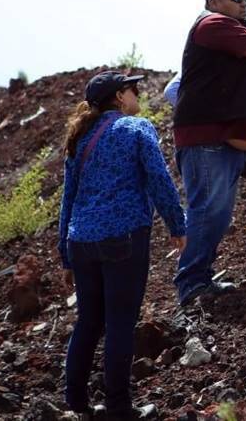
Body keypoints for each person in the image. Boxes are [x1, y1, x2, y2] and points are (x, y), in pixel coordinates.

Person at [59, 71, 185, 420]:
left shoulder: (79, 139)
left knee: (88, 322)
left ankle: (76, 404)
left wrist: (64, 256)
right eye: (133, 89)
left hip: (81, 240)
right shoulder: (137, 129)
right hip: (124, 236)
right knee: (119, 322)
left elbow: (67, 199)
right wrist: (177, 224)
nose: (137, 94)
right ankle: (118, 408)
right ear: (118, 97)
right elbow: (159, 179)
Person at [172, 0, 246, 305]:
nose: (243, 3)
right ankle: (191, 285)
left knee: (216, 213)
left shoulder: (223, 28)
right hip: (206, 138)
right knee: (208, 211)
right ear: (214, 2)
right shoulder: (213, 23)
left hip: (219, 139)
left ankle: (199, 278)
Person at [163, 73, 246, 263]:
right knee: (208, 208)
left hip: (242, 148)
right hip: (211, 147)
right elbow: (171, 91)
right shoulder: (204, 63)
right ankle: (193, 272)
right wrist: (215, 122)